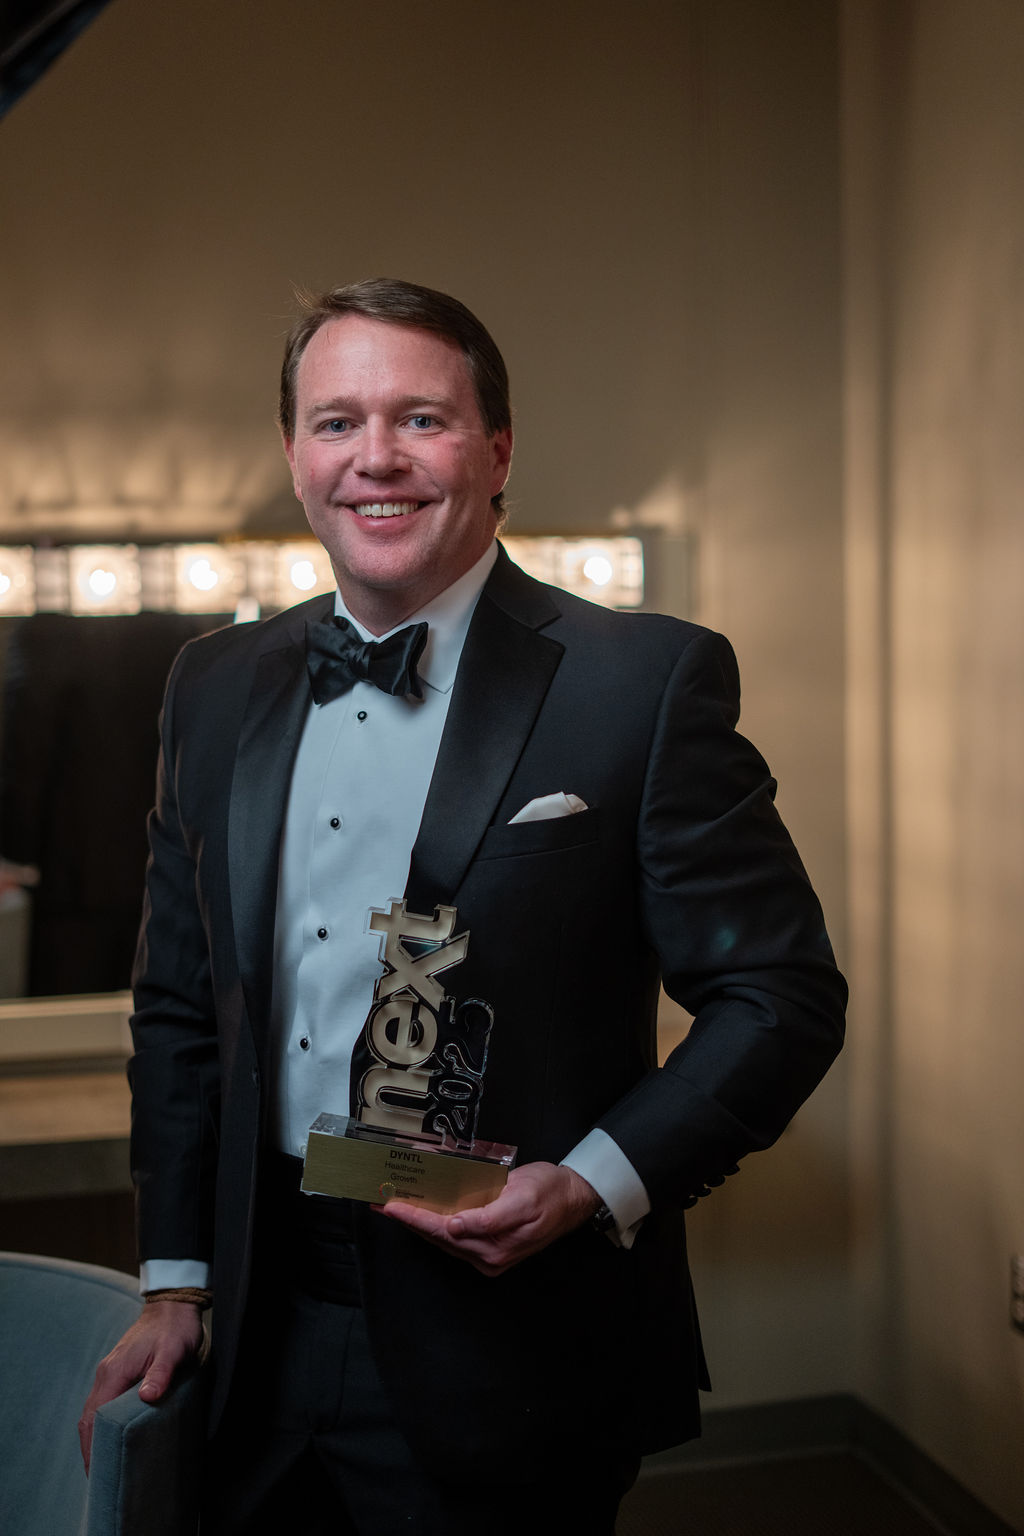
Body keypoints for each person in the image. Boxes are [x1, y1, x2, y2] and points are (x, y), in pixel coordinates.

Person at [79, 278, 847, 1534]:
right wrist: (175, 1282)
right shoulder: (211, 683)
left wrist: (594, 1184)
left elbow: (782, 998)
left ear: (497, 451)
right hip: (249, 1328)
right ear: (292, 455)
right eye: (335, 423)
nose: (374, 458)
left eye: (420, 419)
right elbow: (175, 1003)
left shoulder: (638, 682)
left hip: (511, 1342)